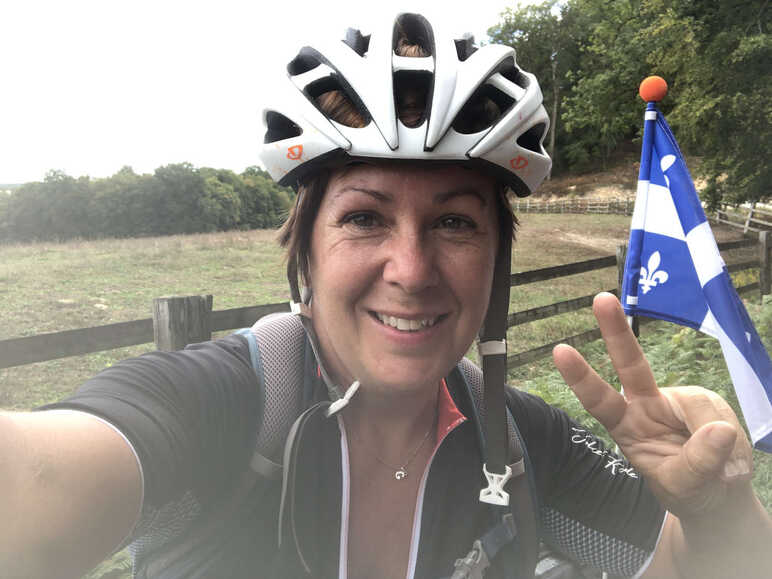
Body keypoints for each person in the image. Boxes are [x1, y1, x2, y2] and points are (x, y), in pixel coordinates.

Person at [2, 11, 770, 579]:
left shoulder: (519, 442)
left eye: (456, 223)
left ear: (497, 258)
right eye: (365, 216)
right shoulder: (225, 402)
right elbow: (36, 482)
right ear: (304, 244)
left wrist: (717, 513)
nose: (410, 268)